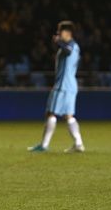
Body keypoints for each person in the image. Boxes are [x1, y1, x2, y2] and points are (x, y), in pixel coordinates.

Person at [28, 21, 85, 152]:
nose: (58, 34)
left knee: (51, 113)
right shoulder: (75, 46)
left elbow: (68, 50)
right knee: (68, 115)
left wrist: (59, 42)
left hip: (63, 85)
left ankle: (44, 145)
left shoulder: (70, 46)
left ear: (67, 33)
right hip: (71, 85)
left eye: (60, 31)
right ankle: (78, 143)